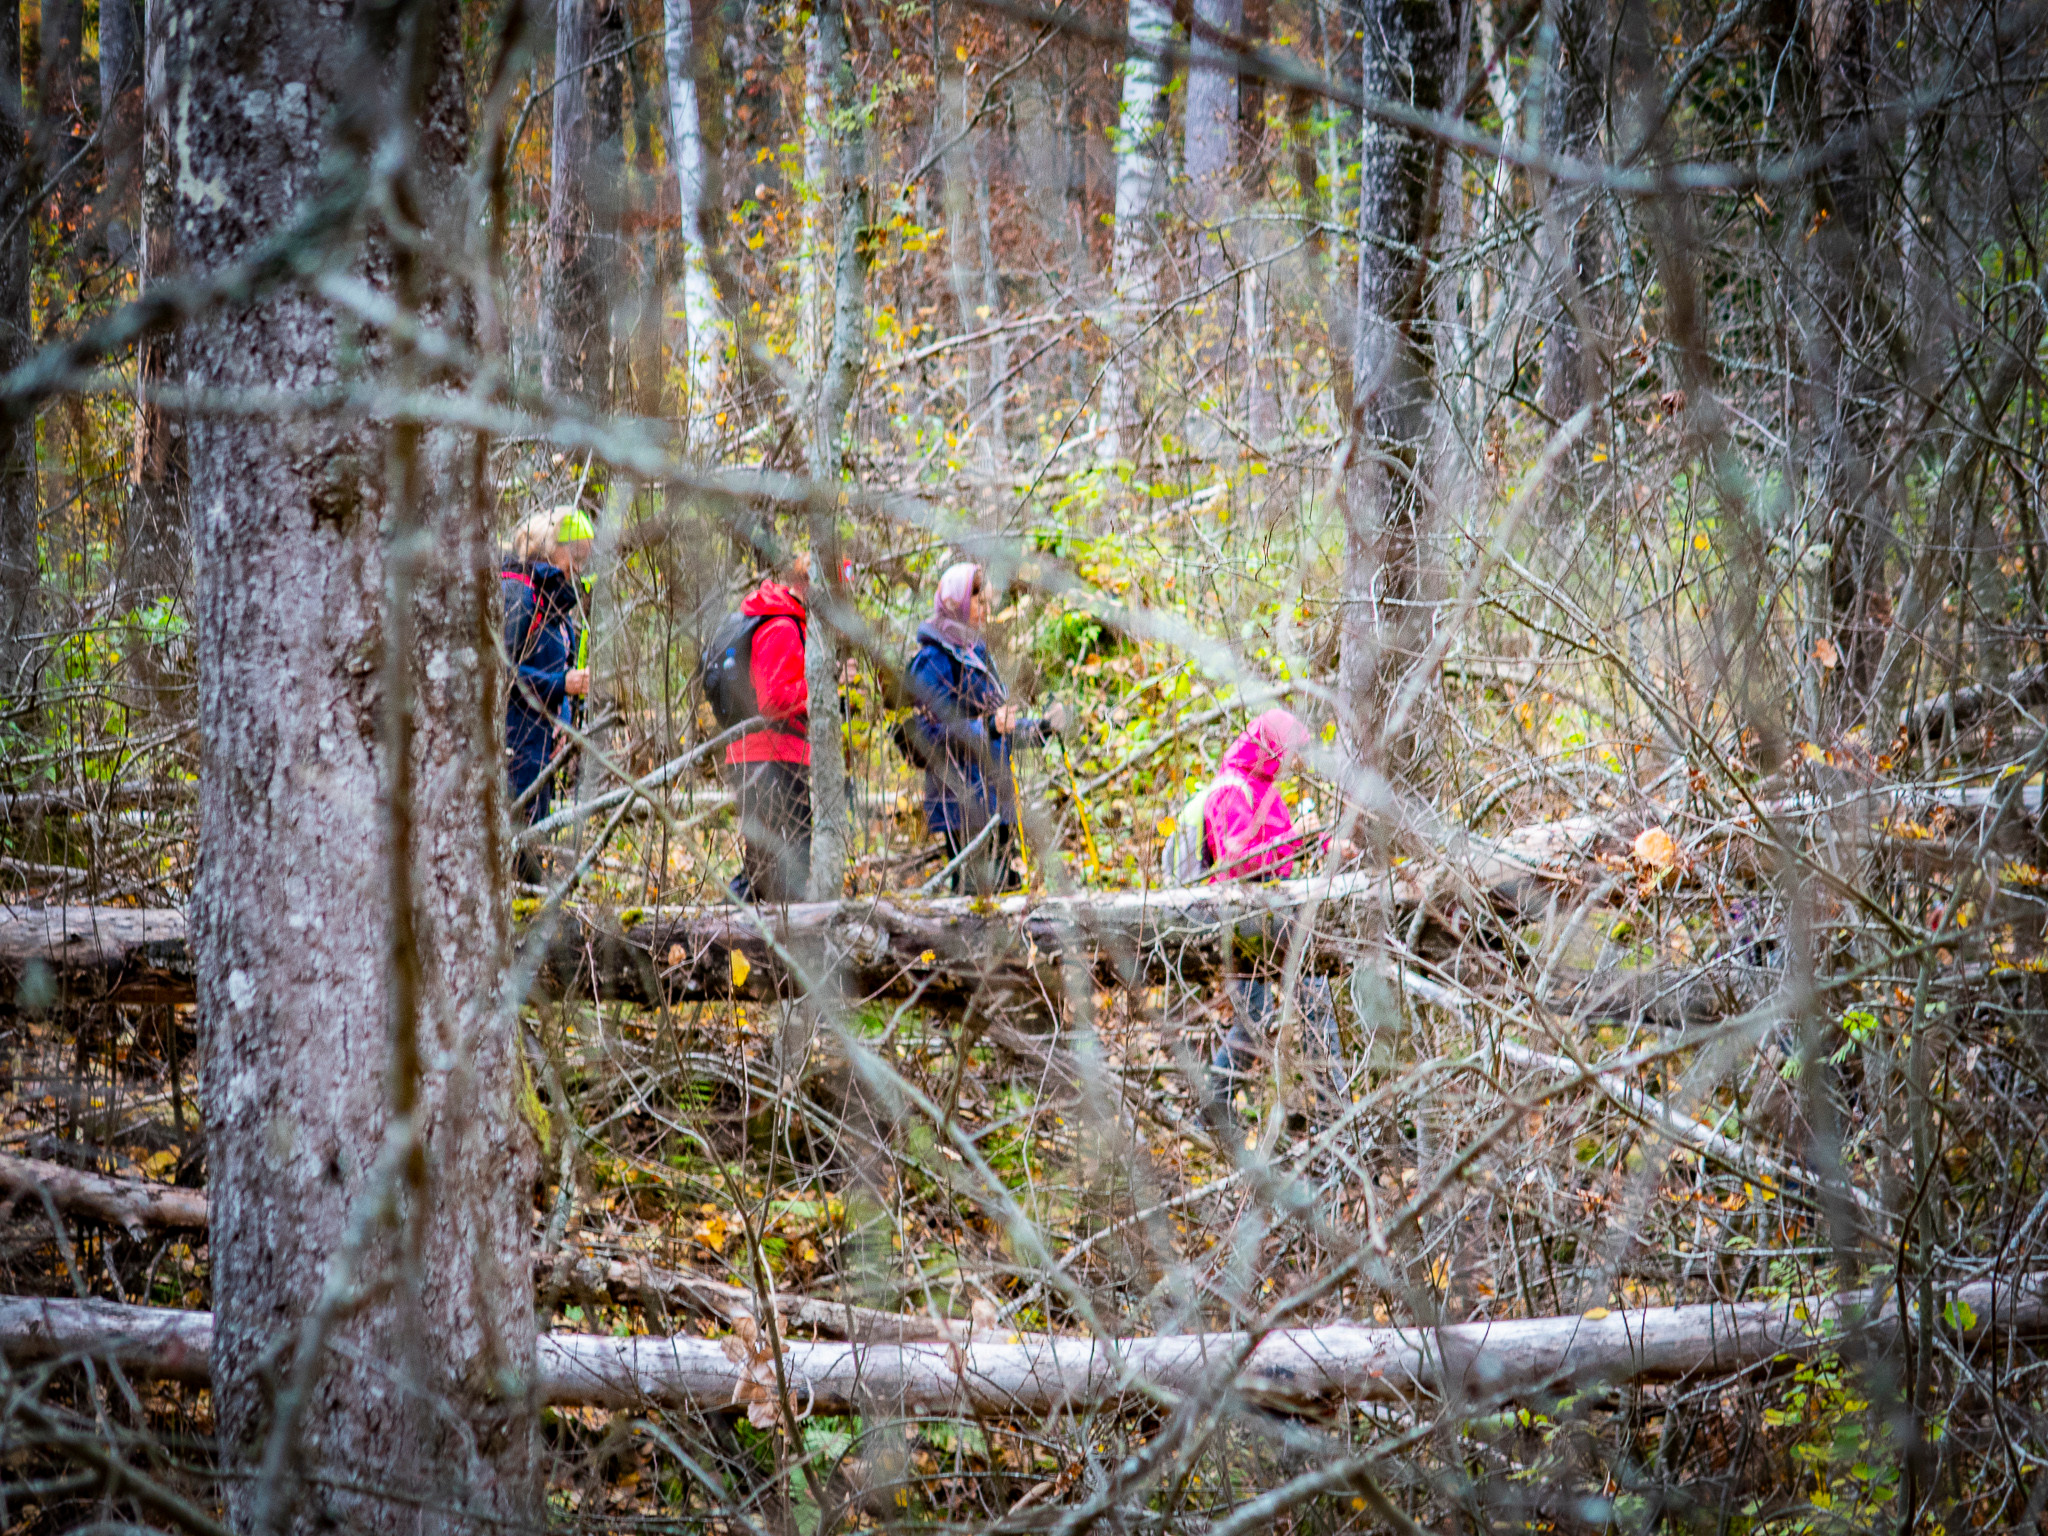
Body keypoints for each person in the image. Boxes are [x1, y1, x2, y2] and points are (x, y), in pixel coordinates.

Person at [1179, 709, 1342, 1114]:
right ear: (1272, 748)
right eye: (1292, 753)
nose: (1297, 763)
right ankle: (1211, 1114)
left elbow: (1294, 841)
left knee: (1314, 1008)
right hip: (1243, 926)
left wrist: (1330, 846)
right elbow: (1236, 862)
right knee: (1255, 1022)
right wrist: (1296, 840)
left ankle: (1333, 1118)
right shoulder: (1231, 789)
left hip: (1279, 921)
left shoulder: (1267, 789)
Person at [906, 561, 1066, 894]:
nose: (986, 611)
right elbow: (930, 736)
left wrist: (1042, 728)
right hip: (961, 799)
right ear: (957, 602)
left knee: (1001, 891)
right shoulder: (934, 659)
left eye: (988, 603)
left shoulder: (977, 653)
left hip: (995, 797)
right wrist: (988, 727)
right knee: (976, 897)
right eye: (980, 602)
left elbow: (999, 727)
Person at [724, 554, 813, 904]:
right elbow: (773, 700)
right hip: (765, 758)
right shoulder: (782, 626)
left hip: (776, 756)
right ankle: (720, 932)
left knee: (778, 861)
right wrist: (817, 689)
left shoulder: (794, 623)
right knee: (769, 864)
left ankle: (759, 943)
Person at [503, 507, 594, 839]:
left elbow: (558, 669)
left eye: (584, 559)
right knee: (519, 852)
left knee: (536, 845)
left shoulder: (557, 603)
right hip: (514, 749)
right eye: (576, 555)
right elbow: (499, 672)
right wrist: (561, 685)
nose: (579, 568)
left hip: (544, 751)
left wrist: (565, 720)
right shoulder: (517, 592)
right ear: (553, 545)